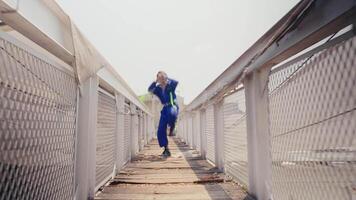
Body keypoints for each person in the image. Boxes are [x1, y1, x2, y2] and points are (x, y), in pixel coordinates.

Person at [148, 71, 179, 157]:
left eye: (162, 77)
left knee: (171, 114)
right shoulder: (157, 88)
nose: (161, 78)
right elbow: (150, 89)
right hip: (164, 108)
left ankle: (172, 126)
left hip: (172, 106)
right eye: (159, 77)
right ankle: (166, 149)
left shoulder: (170, 85)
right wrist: (155, 81)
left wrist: (166, 78)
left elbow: (176, 82)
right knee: (160, 131)